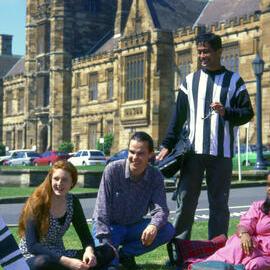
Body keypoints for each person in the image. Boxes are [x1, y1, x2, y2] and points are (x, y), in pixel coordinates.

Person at [157, 32, 254, 240]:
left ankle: (217, 253)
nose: (202, 56)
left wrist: (226, 112)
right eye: (199, 52)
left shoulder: (234, 81)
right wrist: (167, 145)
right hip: (192, 153)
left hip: (222, 154)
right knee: (185, 203)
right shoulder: (189, 81)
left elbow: (248, 113)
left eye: (207, 51)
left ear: (219, 51)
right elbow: (178, 117)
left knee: (219, 205)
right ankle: (179, 251)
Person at [93, 131, 175, 270]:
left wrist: (153, 225)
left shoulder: (155, 176)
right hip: (110, 227)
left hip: (134, 227)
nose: (135, 157)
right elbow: (101, 212)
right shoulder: (113, 170)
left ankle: (125, 254)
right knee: (107, 265)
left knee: (167, 230)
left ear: (150, 155)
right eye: (132, 152)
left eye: (141, 153)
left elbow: (161, 209)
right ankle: (113, 258)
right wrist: (106, 246)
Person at [18, 160, 115, 270]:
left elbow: (86, 237)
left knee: (108, 251)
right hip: (33, 256)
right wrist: (67, 262)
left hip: (59, 253)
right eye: (56, 179)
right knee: (42, 263)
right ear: (50, 180)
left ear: (72, 183)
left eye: (64, 180)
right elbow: (32, 246)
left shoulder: (72, 202)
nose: (59, 184)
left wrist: (89, 251)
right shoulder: (36, 202)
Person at [190, 172, 270, 270]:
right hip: (252, 245)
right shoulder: (259, 206)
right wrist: (244, 234)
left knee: (256, 264)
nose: (269, 189)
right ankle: (207, 266)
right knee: (237, 244)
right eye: (268, 185)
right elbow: (245, 223)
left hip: (266, 256)